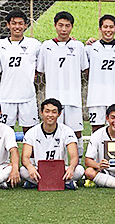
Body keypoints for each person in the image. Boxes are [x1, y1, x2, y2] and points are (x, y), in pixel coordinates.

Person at [37, 11, 88, 162]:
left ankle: (77, 163)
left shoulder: (78, 46)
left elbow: (85, 68)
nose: (64, 29)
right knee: (53, 132)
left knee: (76, 132)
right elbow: (40, 70)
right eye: (60, 25)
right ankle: (53, 163)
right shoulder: (46, 46)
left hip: (73, 98)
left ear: (72, 27)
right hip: (53, 99)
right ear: (55, 26)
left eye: (67, 26)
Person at [0, 10, 41, 133]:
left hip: (27, 97)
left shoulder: (35, 45)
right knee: (4, 133)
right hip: (6, 96)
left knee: (30, 133)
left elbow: (41, 66)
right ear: (8, 25)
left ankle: (29, 154)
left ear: (26, 25)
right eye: (14, 23)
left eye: (21, 23)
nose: (17, 27)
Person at [20, 98, 84, 190]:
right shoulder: (32, 132)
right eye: (47, 111)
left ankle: (35, 183)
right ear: (41, 113)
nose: (50, 115)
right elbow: (25, 157)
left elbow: (74, 156)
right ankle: (65, 183)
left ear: (59, 114)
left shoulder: (67, 131)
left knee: (79, 170)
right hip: (39, 169)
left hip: (60, 170)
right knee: (23, 170)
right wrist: (30, 167)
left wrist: (71, 168)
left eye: (54, 112)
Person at [85, 15, 115, 132]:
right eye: (105, 27)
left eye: (111, 27)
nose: (108, 30)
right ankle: (97, 151)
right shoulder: (90, 48)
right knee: (96, 130)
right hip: (96, 97)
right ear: (100, 29)